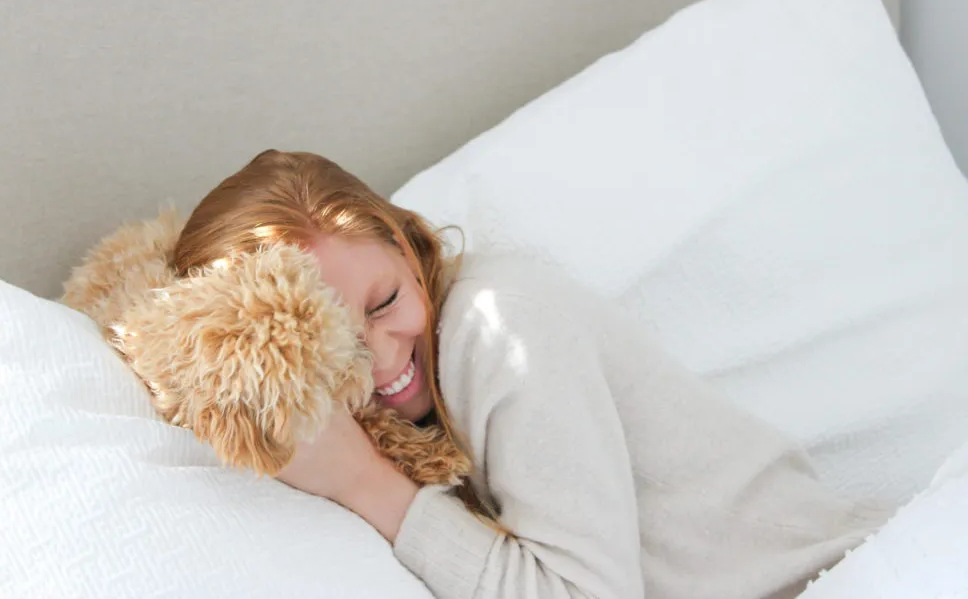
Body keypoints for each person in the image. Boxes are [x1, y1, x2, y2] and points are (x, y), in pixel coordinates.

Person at [172, 149, 890, 599]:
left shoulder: (499, 327)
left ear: (400, 239)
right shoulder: (376, 405)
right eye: (338, 344)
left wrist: (362, 482)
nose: (386, 359)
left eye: (386, 301)